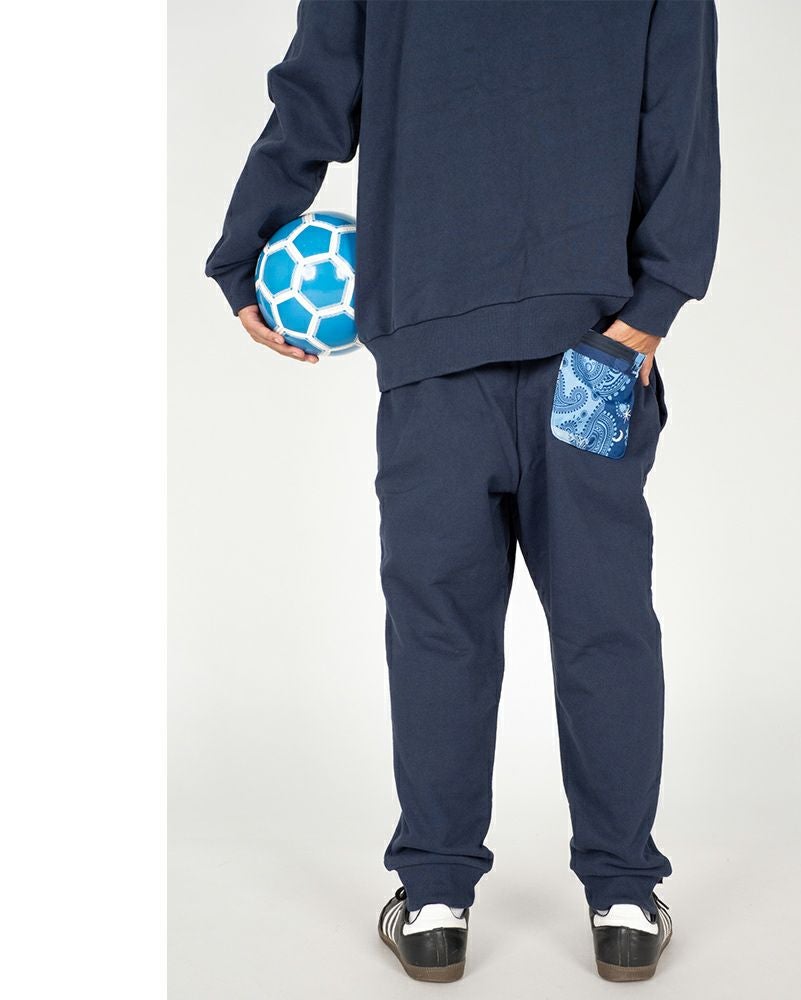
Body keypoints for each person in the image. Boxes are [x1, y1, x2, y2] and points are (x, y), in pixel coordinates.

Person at [207, 0, 719, 983]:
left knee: (438, 626)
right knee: (605, 621)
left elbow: (316, 94)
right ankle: (623, 900)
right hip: (596, 354)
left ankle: (435, 900)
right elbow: (680, 121)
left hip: (433, 360)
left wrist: (245, 248)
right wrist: (648, 313)